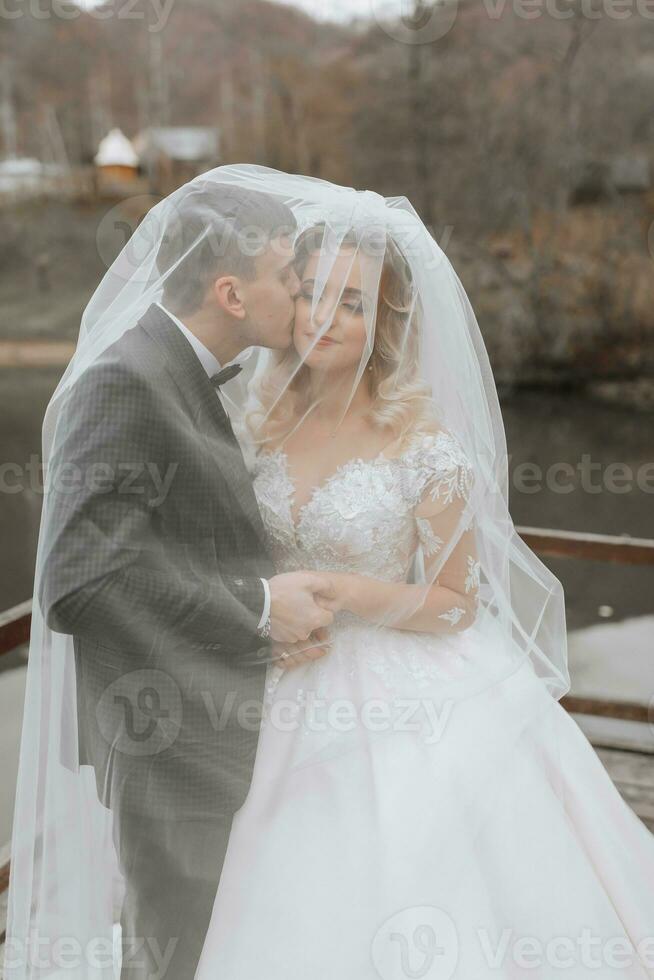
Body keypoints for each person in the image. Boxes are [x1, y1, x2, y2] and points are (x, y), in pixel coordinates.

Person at [192, 173, 654, 979]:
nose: (326, 319)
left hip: (405, 684)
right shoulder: (251, 423)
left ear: (387, 322)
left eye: (354, 303)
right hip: (282, 678)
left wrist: (357, 596)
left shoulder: (424, 444)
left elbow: (455, 604)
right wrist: (270, 619)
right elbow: (234, 557)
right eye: (312, 295)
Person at [7, 183, 335, 980]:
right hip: (169, 744)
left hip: (212, 730)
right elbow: (78, 579)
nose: (299, 291)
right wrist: (257, 605)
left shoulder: (182, 371)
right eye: (287, 276)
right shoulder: (125, 381)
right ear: (230, 292)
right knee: (172, 958)